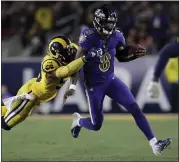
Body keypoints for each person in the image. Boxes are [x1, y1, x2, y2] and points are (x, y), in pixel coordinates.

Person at [64, 5, 171, 156]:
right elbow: (75, 65)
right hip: (94, 85)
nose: (109, 26)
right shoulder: (88, 36)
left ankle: (155, 144)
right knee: (96, 125)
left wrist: (131, 54)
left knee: (134, 107)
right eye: (106, 23)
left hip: (111, 80)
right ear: (98, 22)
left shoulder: (118, 35)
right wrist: (73, 87)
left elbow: (120, 56)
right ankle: (79, 121)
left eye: (111, 23)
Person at [1, 36, 98, 131]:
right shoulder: (49, 63)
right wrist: (85, 58)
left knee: (8, 111)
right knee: (6, 124)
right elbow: (65, 71)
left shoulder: (70, 49)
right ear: (58, 54)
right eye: (66, 51)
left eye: (69, 48)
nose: (70, 52)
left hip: (39, 95)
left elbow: (75, 70)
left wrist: (72, 87)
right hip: (31, 94)